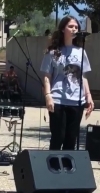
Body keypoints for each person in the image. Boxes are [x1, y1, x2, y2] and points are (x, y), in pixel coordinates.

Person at [40, 15, 94, 150]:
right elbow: (47, 76)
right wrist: (48, 96)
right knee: (58, 137)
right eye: (71, 26)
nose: (74, 29)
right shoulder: (53, 52)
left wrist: (89, 96)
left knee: (71, 139)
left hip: (77, 101)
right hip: (58, 99)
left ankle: (67, 168)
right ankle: (53, 168)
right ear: (63, 29)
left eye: (76, 27)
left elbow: (83, 76)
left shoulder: (81, 52)